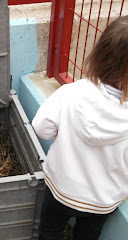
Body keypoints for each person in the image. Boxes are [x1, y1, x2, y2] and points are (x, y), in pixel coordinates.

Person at [32, 16, 128, 240]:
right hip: (103, 201)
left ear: (99, 54)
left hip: (61, 189)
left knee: (50, 229)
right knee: (88, 234)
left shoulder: (72, 92)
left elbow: (41, 127)